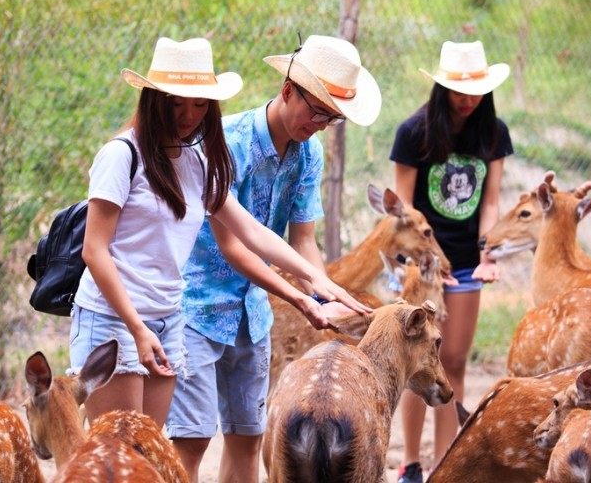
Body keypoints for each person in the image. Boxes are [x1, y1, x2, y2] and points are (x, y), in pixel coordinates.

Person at [70, 36, 368, 431]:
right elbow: (94, 251)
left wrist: (318, 283)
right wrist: (137, 328)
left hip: (165, 319)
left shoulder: (196, 160)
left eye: (199, 103)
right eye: (176, 102)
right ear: (153, 99)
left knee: (147, 454)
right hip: (114, 318)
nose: (188, 114)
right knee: (117, 453)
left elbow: (252, 232)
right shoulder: (122, 155)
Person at [167, 34, 382, 483]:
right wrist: (302, 299)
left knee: (248, 439)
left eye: (333, 117)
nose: (321, 124)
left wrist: (323, 297)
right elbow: (234, 245)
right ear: (288, 90)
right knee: (191, 442)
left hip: (251, 313)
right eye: (317, 111)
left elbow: (304, 239)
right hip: (197, 310)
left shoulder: (310, 154)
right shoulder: (230, 143)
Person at [390, 40, 513, 483]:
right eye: (460, 90)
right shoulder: (414, 133)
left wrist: (488, 252)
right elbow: (403, 208)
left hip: (464, 264)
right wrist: (412, 264)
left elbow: (491, 202)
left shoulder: (493, 133)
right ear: (442, 88)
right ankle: (410, 464)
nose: (468, 99)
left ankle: (444, 466)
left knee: (454, 362)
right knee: (416, 364)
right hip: (422, 266)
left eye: (476, 89)